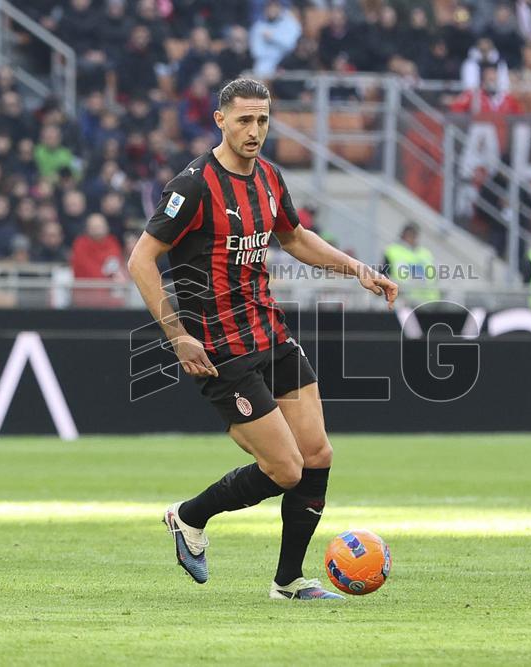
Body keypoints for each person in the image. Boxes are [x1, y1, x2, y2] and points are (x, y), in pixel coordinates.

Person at [128, 78, 397, 601]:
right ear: (220, 120)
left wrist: (355, 267)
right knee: (285, 468)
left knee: (317, 453)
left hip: (270, 333)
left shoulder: (270, 178)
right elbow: (141, 260)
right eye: (245, 120)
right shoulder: (194, 186)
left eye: (263, 120)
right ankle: (189, 517)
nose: (255, 131)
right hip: (221, 350)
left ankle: (289, 582)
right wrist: (177, 336)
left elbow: (294, 237)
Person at [383, 223, 440, 304]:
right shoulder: (392, 251)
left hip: (429, 302)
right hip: (404, 301)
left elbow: (434, 277)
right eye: (409, 235)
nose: (411, 238)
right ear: (403, 235)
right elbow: (384, 276)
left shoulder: (425, 253)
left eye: (413, 235)